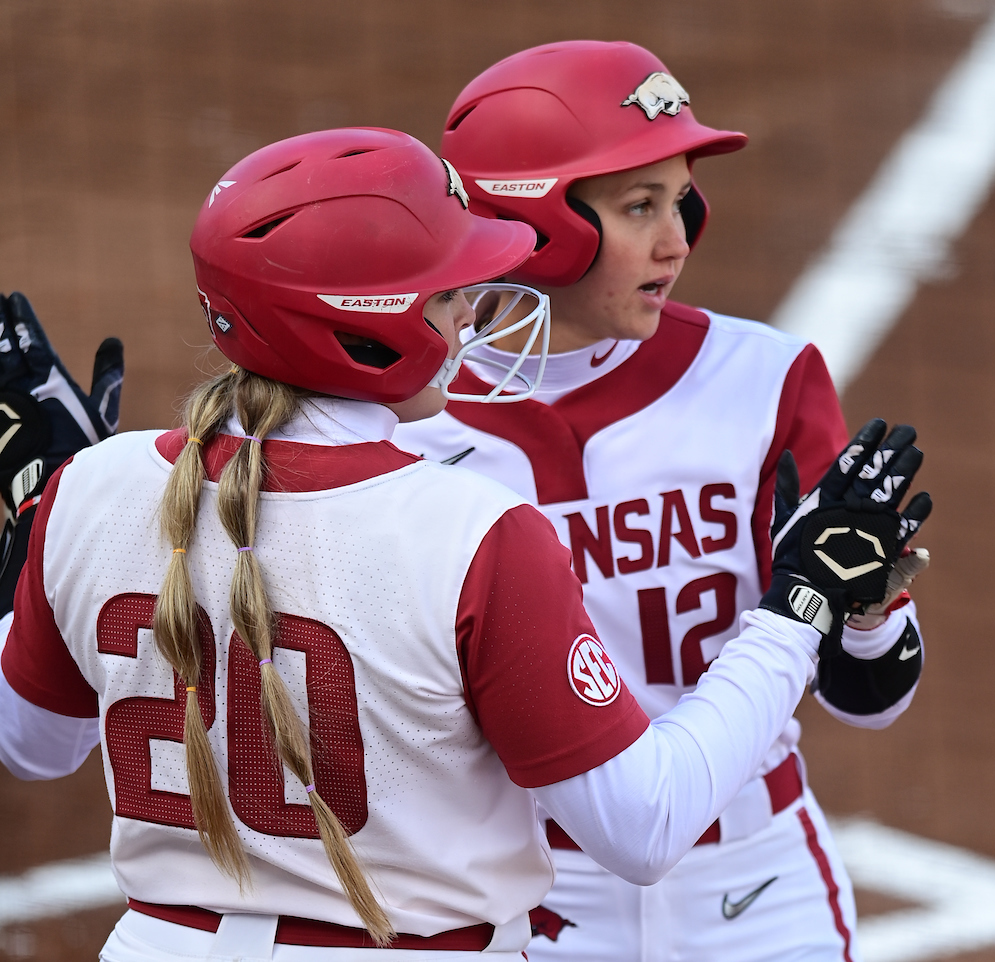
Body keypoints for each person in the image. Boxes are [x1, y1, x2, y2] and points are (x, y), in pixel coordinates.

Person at [0, 127, 927, 962]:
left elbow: (31, 743)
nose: (475, 314)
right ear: (372, 323)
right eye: (453, 292)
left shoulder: (92, 488)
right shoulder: (466, 531)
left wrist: (29, 553)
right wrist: (797, 605)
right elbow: (645, 824)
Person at [391, 42, 934, 962]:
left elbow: (873, 702)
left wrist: (869, 615)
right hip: (520, 892)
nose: (677, 239)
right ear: (541, 227)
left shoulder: (762, 381)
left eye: (680, 198)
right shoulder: (406, 422)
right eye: (639, 206)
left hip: (756, 885)